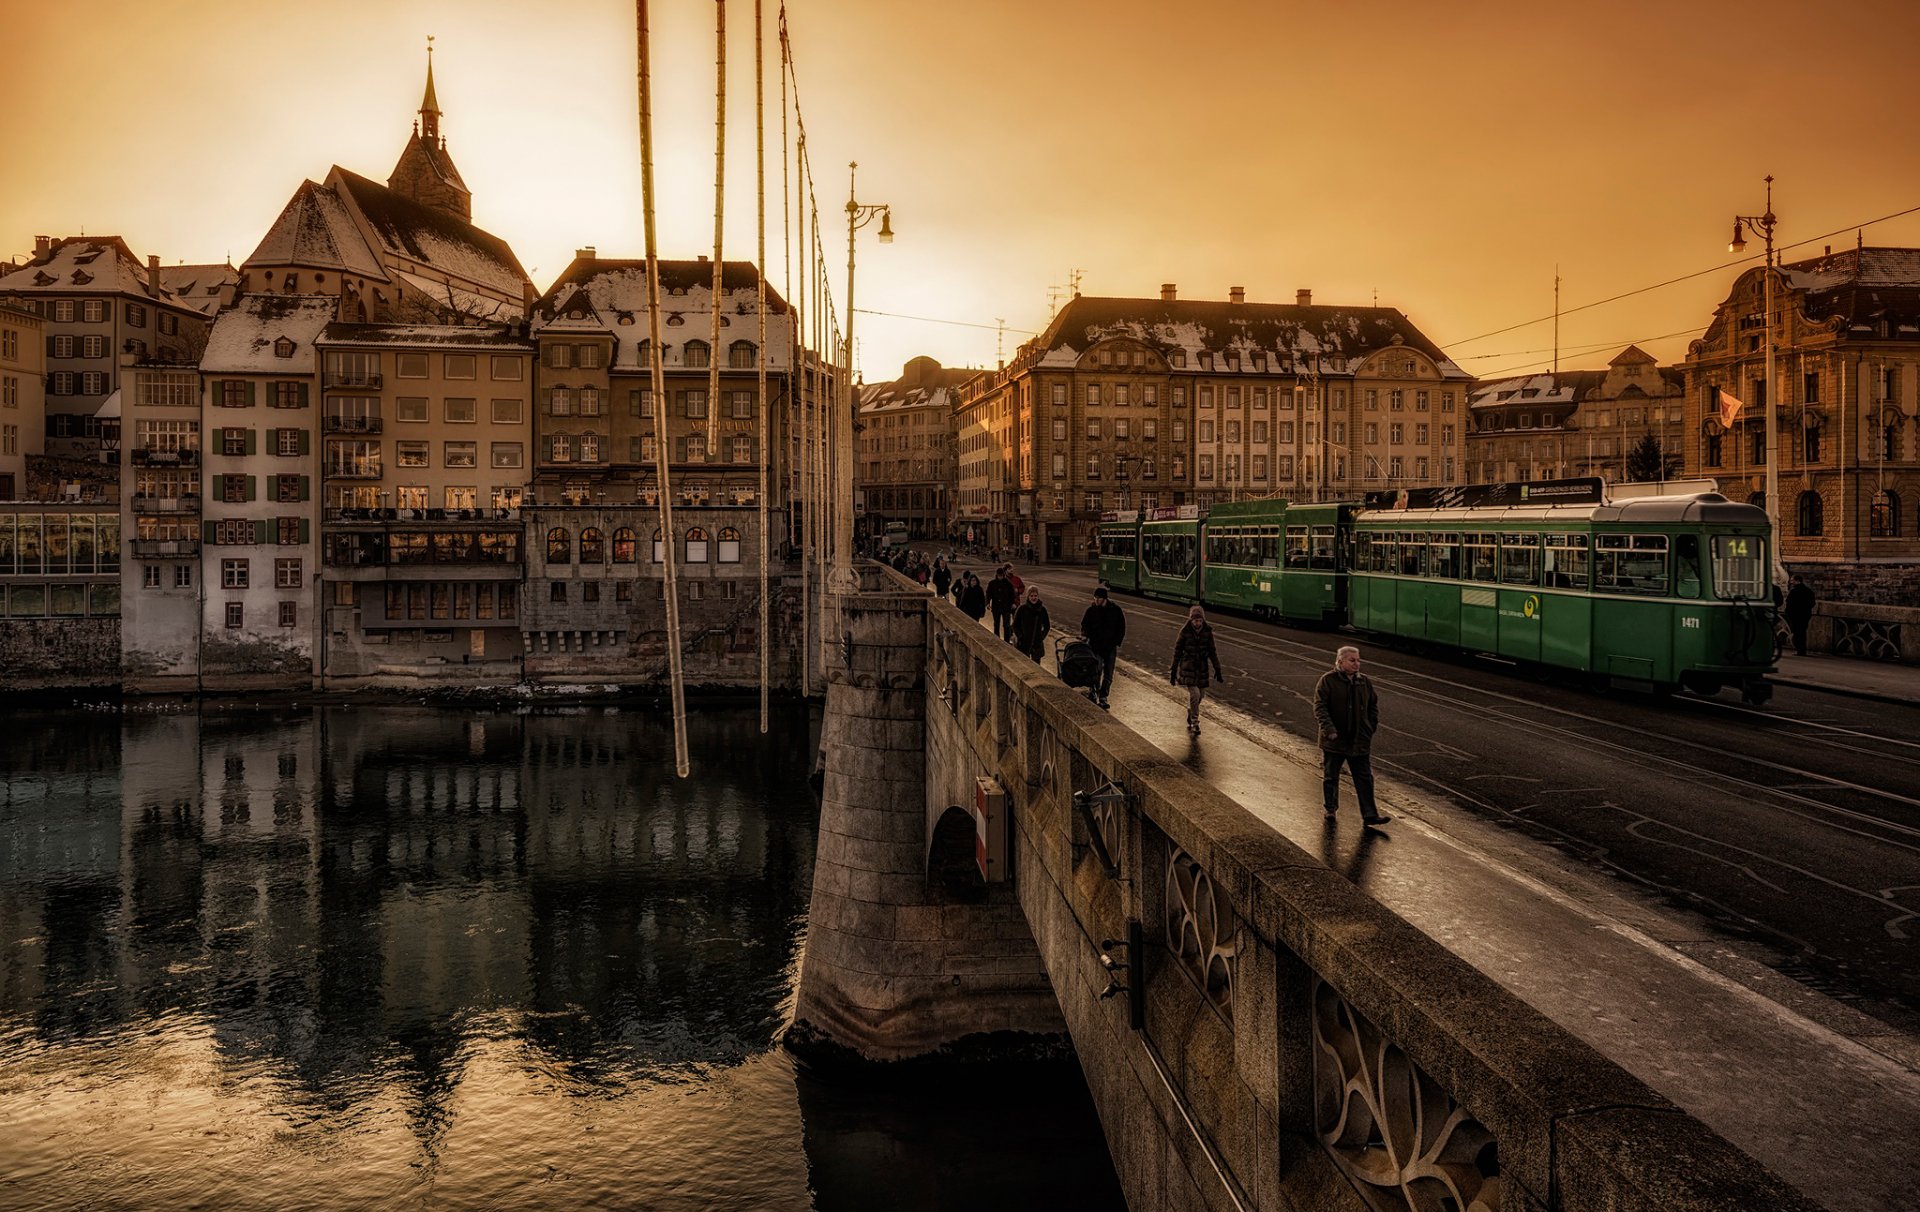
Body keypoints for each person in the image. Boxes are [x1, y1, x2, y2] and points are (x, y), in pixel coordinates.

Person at [1314, 645, 1389, 829]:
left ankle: (1370, 815)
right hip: (1335, 739)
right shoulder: (1328, 681)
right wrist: (1329, 729)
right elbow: (1320, 707)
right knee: (1331, 776)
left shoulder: (1363, 681)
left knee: (1364, 778)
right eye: (1352, 660)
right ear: (1340, 662)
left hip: (1359, 740)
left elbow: (1373, 705)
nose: (1357, 664)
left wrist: (1370, 727)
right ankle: (1330, 809)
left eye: (1358, 660)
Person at [1169, 604, 1223, 735]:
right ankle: (1195, 722)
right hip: (1188, 667)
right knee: (1195, 694)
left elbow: (1212, 651)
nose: (1198, 623)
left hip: (1202, 669)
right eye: (1195, 620)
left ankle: (1190, 711)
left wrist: (1217, 668)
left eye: (1200, 620)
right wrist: (1173, 671)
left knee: (1201, 695)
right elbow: (1177, 652)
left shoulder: (1207, 632)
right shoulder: (1185, 632)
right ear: (1191, 620)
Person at [1079, 585, 1127, 709]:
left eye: (1098, 598)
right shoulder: (1091, 610)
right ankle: (1093, 690)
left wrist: (1116, 642)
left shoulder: (1115, 610)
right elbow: (1085, 624)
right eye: (1095, 598)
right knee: (1097, 670)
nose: (1096, 601)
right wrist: (1085, 635)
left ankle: (1103, 695)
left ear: (1104, 599)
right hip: (1095, 646)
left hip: (1110, 647)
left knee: (1109, 674)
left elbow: (1121, 627)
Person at [1013, 586, 1051, 663]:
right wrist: (1020, 637)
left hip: (1037, 643)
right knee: (1023, 664)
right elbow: (1015, 625)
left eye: (1035, 596)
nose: (1034, 598)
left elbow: (1047, 626)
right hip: (1023, 643)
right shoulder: (1022, 609)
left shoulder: (1042, 610)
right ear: (1028, 596)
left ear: (1038, 596)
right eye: (1031, 596)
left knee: (1036, 666)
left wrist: (1041, 637)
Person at [1784, 575, 1816, 657]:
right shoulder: (1808, 591)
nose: (1791, 582)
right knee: (1802, 632)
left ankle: (1799, 650)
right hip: (1805, 614)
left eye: (1792, 580)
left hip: (1795, 615)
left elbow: (1789, 603)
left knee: (1797, 632)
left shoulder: (1794, 591)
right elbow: (1812, 603)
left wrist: (1788, 612)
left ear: (1798, 581)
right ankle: (1802, 650)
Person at [986, 567, 1017, 640]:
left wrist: (1013, 603)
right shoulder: (992, 583)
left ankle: (1006, 640)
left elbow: (1012, 594)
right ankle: (996, 639)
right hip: (996, 607)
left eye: (1002, 575)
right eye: (999, 575)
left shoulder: (1008, 584)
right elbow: (988, 594)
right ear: (997, 575)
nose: (1000, 577)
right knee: (996, 624)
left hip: (1006, 607)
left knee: (1006, 625)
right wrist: (987, 603)